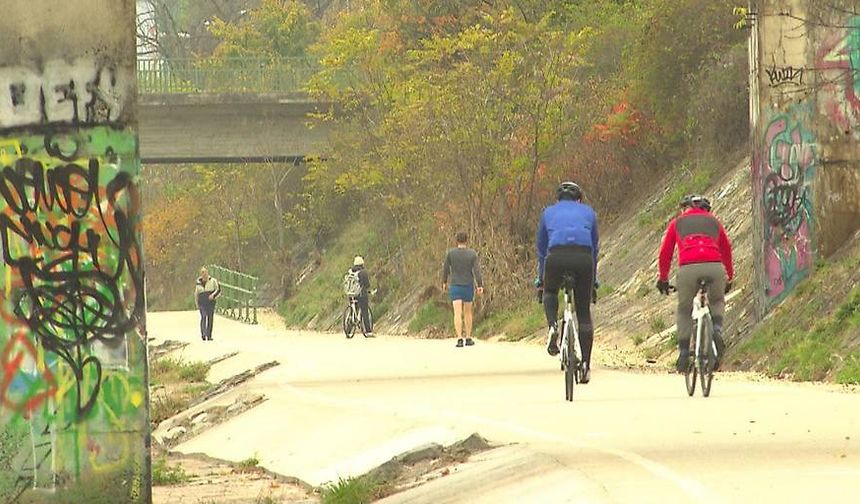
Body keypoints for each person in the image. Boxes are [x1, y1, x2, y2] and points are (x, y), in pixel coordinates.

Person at [657, 195, 734, 372]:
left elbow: (666, 252)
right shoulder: (714, 222)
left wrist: (663, 277)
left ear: (686, 208)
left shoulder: (678, 223)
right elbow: (726, 249)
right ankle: (716, 329)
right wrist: (729, 275)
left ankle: (684, 354)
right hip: (714, 266)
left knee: (684, 309)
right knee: (716, 301)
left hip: (688, 268)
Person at [536, 182, 599, 383]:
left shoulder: (548, 213)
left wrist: (541, 280)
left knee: (550, 291)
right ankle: (587, 365)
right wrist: (593, 282)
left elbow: (541, 249)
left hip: (556, 257)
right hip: (583, 259)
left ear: (558, 199)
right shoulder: (589, 212)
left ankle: (553, 325)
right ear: (579, 199)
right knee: (583, 313)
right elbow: (595, 248)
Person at [442, 232, 485, 347]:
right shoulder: (472, 254)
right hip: (467, 285)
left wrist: (444, 282)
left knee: (457, 313)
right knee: (468, 312)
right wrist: (480, 285)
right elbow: (477, 271)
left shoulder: (450, 253)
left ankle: (459, 338)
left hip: (455, 285)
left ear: (457, 241)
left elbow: (445, 268)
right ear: (466, 240)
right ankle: (468, 337)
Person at [195, 267, 221, 341]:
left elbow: (218, 290)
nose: (204, 274)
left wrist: (213, 295)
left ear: (207, 273)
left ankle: (209, 335)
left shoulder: (213, 281)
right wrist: (196, 303)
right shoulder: (198, 283)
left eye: (205, 272)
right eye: (202, 273)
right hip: (202, 303)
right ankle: (203, 334)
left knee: (210, 318)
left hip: (210, 302)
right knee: (203, 316)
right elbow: (196, 294)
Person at [349, 256, 374, 337]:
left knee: (353, 310)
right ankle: (368, 331)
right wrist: (368, 290)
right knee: (364, 311)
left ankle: (349, 330)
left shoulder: (350, 272)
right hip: (361, 294)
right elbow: (366, 285)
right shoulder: (363, 272)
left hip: (351, 294)